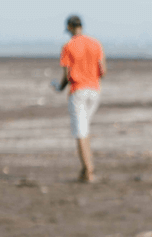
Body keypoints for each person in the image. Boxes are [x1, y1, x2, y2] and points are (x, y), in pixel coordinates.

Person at [55, 15, 106, 182]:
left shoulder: (68, 46)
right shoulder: (95, 43)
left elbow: (67, 75)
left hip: (78, 91)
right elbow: (103, 71)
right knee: (84, 130)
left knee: (80, 132)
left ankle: (88, 171)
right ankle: (87, 168)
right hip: (94, 91)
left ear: (70, 27)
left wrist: (60, 87)